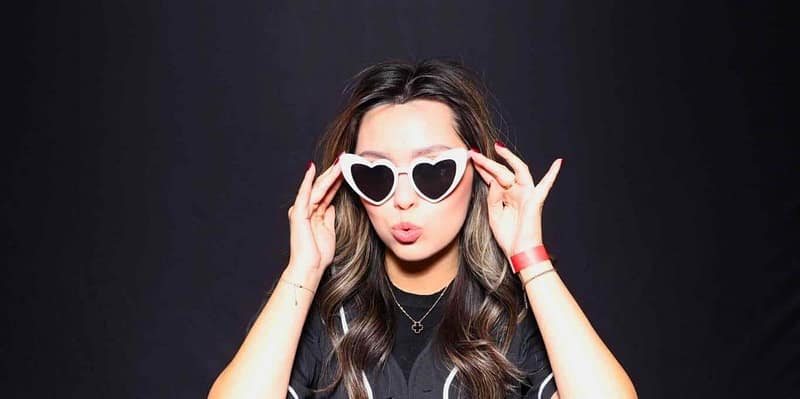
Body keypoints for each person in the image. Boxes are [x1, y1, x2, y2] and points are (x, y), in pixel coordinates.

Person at [208, 58, 637, 399]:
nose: (403, 199)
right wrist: (302, 270)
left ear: (479, 172)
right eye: (375, 174)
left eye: (432, 172)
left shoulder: (513, 321)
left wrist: (529, 255)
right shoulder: (326, 319)